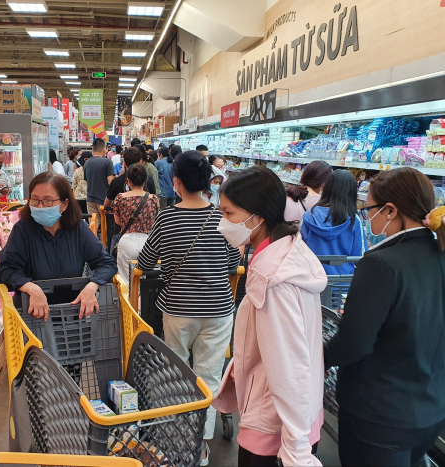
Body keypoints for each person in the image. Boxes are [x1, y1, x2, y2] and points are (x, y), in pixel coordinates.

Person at [325, 168, 445, 466]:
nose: (367, 218)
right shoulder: (439, 253)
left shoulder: (381, 264)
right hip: (432, 409)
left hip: (379, 414)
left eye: (369, 210)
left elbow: (354, 343)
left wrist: (312, 359)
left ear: (390, 210)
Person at [214, 165, 327, 467]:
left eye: (228, 214)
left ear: (258, 215)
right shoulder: (289, 250)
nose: (221, 224)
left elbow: (288, 364)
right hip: (297, 415)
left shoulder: (272, 277)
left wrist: (296, 447)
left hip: (275, 428)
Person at [137, 151, 241, 466]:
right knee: (208, 375)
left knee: (177, 372)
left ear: (176, 182)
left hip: (178, 308)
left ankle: (177, 440)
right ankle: (201, 445)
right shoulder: (222, 218)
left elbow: (144, 261)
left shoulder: (167, 218)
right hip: (218, 308)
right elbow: (233, 263)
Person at [0, 171, 117, 315]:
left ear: (64, 204)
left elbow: (107, 263)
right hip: (32, 313)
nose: (40, 206)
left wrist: (93, 285)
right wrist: (30, 287)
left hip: (74, 312)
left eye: (48, 200)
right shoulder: (22, 230)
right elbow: (5, 269)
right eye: (35, 200)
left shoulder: (78, 229)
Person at [301, 170, 367, 274]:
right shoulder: (354, 220)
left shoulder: (310, 215)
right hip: (342, 283)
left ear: (327, 188)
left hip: (313, 280)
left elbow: (300, 249)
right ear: (352, 193)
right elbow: (360, 258)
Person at [112, 164, 160, 284]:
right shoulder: (153, 199)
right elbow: (156, 221)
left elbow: (117, 221)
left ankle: (129, 302)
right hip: (149, 243)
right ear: (145, 180)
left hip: (127, 241)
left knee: (125, 281)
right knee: (146, 280)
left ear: (128, 181)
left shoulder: (120, 198)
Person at [83, 138, 115, 230]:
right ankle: (103, 244)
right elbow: (110, 183)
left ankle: (92, 243)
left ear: (93, 150)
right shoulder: (107, 162)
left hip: (90, 199)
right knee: (105, 226)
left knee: (93, 226)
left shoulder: (87, 163)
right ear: (104, 149)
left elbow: (86, 180)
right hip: (104, 200)